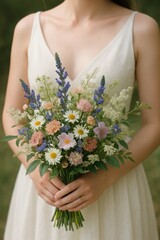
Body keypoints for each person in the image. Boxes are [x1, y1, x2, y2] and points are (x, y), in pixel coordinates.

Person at [2, 0, 160, 239]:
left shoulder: (141, 29)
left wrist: (105, 177)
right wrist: (36, 171)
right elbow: (10, 113)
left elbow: (155, 123)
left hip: (114, 185)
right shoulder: (28, 28)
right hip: (44, 191)